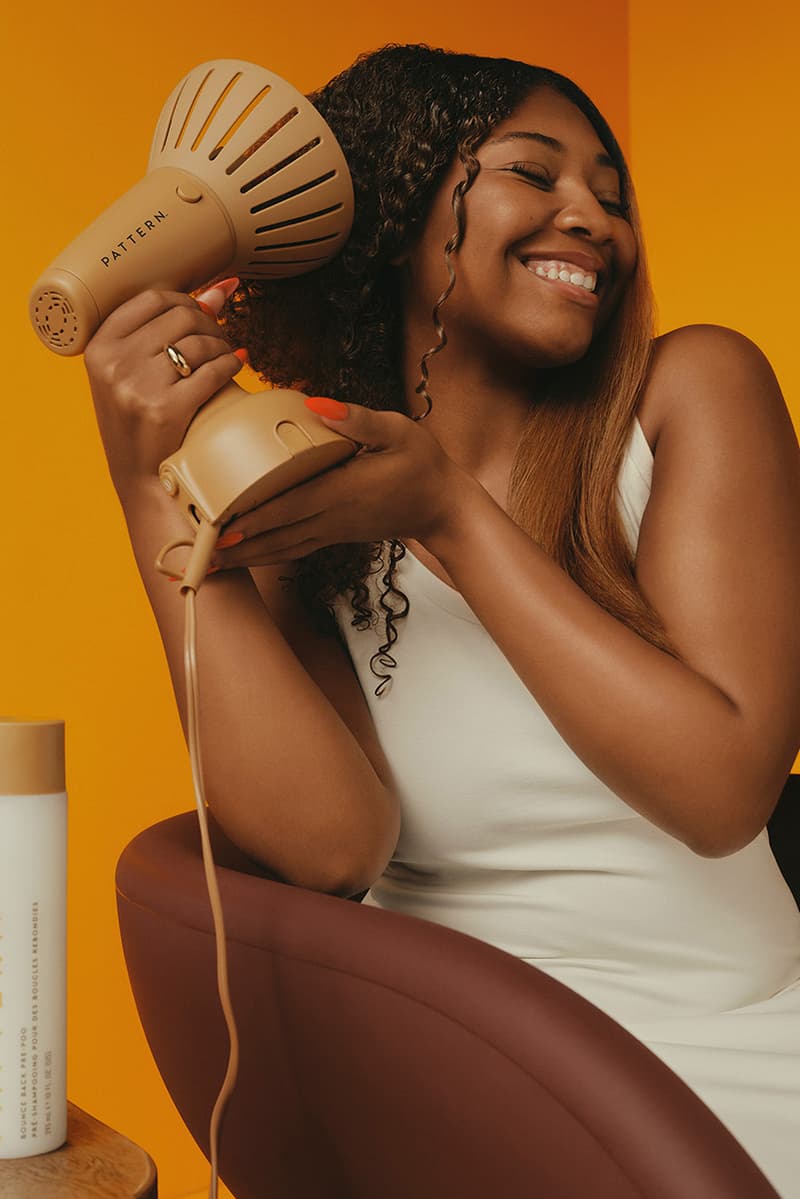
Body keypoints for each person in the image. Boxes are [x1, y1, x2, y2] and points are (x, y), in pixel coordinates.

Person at [84, 44, 800, 1197]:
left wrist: (447, 515)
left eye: (611, 197)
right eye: (535, 172)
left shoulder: (691, 391)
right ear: (400, 221)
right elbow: (328, 848)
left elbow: (720, 790)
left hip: (745, 1039)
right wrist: (152, 490)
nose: (594, 219)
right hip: (471, 1063)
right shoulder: (309, 496)